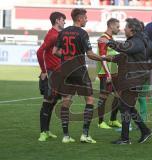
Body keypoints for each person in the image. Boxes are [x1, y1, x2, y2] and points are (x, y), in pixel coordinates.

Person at [100, 18, 152, 144]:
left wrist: (109, 42)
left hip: (134, 78)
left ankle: (125, 138)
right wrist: (108, 58)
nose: (124, 29)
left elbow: (125, 48)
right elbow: (125, 55)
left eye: (126, 27)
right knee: (128, 106)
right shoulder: (139, 40)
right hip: (133, 77)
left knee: (124, 106)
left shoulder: (137, 41)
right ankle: (145, 131)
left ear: (132, 29)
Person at [52, 8, 104, 143]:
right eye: (85, 18)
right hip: (79, 71)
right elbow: (90, 54)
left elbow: (55, 51)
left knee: (66, 101)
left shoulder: (63, 32)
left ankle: (66, 136)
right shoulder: (82, 33)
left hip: (65, 71)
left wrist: (66, 57)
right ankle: (85, 135)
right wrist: (105, 59)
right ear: (80, 19)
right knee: (90, 100)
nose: (87, 20)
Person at [37, 11, 66, 142]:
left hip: (59, 74)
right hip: (52, 73)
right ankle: (43, 132)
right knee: (47, 102)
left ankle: (47, 131)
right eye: (63, 20)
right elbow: (39, 51)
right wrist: (44, 71)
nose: (64, 22)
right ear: (57, 21)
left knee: (52, 102)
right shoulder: (52, 35)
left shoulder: (58, 35)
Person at [96, 18, 122, 129]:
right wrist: (107, 74)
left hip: (114, 73)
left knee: (118, 95)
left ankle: (113, 119)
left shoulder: (110, 39)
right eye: (117, 26)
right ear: (111, 26)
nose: (119, 29)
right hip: (106, 74)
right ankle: (100, 122)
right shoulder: (103, 38)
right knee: (103, 97)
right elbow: (102, 57)